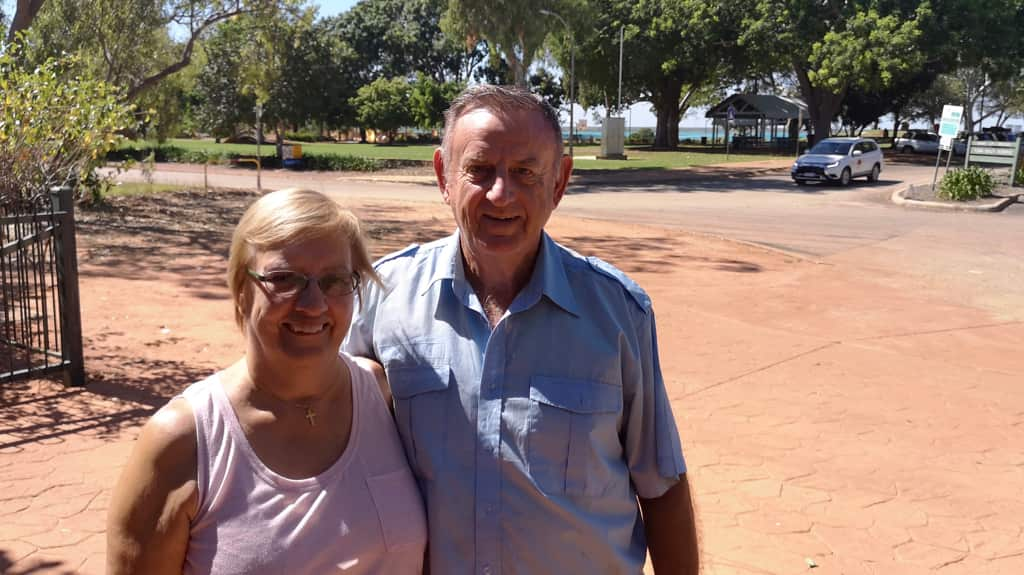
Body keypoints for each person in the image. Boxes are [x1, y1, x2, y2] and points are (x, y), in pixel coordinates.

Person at [343, 85, 699, 574]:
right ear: (444, 176)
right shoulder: (380, 300)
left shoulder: (619, 313)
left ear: (559, 182)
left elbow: (662, 485)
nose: (500, 194)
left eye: (525, 172)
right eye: (480, 170)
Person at [107, 188, 427, 574]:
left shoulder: (381, 395)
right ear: (241, 290)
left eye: (334, 280)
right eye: (284, 278)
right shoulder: (183, 440)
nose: (313, 304)